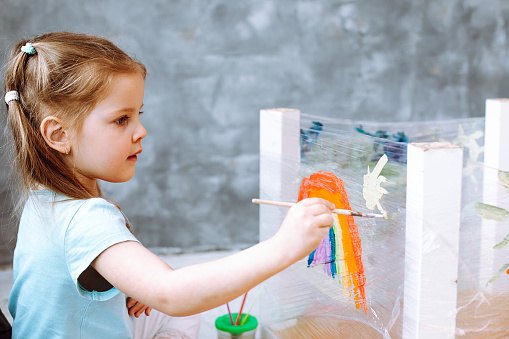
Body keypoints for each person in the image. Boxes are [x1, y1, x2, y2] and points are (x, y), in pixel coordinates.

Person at [2, 32, 335, 339]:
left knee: (171, 314)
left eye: (138, 115)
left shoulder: (42, 201)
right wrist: (285, 246)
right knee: (177, 306)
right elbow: (172, 293)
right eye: (122, 119)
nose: (141, 130)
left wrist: (127, 285)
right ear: (58, 135)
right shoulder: (88, 218)